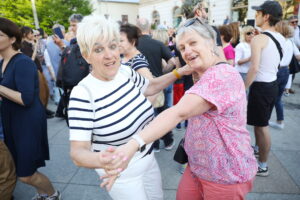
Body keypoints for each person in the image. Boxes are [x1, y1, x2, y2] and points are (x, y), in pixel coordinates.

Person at [103, 17, 257, 200]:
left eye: (193, 43)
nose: (187, 51)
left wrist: (131, 146)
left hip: (225, 173)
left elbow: (178, 112)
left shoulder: (221, 75)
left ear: (210, 43)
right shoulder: (203, 73)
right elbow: (152, 87)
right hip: (197, 167)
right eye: (182, 47)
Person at [68, 15, 192, 200]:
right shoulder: (83, 94)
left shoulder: (124, 71)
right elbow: (78, 152)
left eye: (112, 46)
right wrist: (102, 160)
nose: (109, 55)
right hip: (121, 172)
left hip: (148, 157)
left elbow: (150, 87)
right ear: (87, 56)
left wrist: (178, 72)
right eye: (98, 49)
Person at [0, 17, 61, 200]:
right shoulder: (3, 62)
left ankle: (52, 194)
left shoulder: (23, 62)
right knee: (21, 169)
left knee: (25, 174)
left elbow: (26, 98)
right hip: (11, 121)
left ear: (12, 39)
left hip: (26, 122)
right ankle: (43, 193)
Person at [246, 1, 285, 176]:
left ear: (266, 16)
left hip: (261, 86)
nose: (256, 16)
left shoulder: (259, 39)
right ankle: (258, 150)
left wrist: (242, 88)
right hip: (272, 84)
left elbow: (254, 68)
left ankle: (263, 165)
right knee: (259, 124)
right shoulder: (281, 38)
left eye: (258, 13)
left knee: (262, 127)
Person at [136, 18, 176, 152]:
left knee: (146, 117)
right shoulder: (157, 44)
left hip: (139, 86)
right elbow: (172, 61)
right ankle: (168, 141)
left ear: (137, 28)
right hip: (158, 84)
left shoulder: (133, 45)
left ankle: (154, 145)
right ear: (149, 29)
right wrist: (164, 72)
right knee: (161, 115)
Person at [269, 20, 300, 130]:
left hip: (276, 70)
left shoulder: (276, 41)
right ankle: (280, 121)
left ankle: (264, 121)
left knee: (269, 97)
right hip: (286, 71)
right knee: (278, 98)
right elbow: (298, 56)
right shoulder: (290, 42)